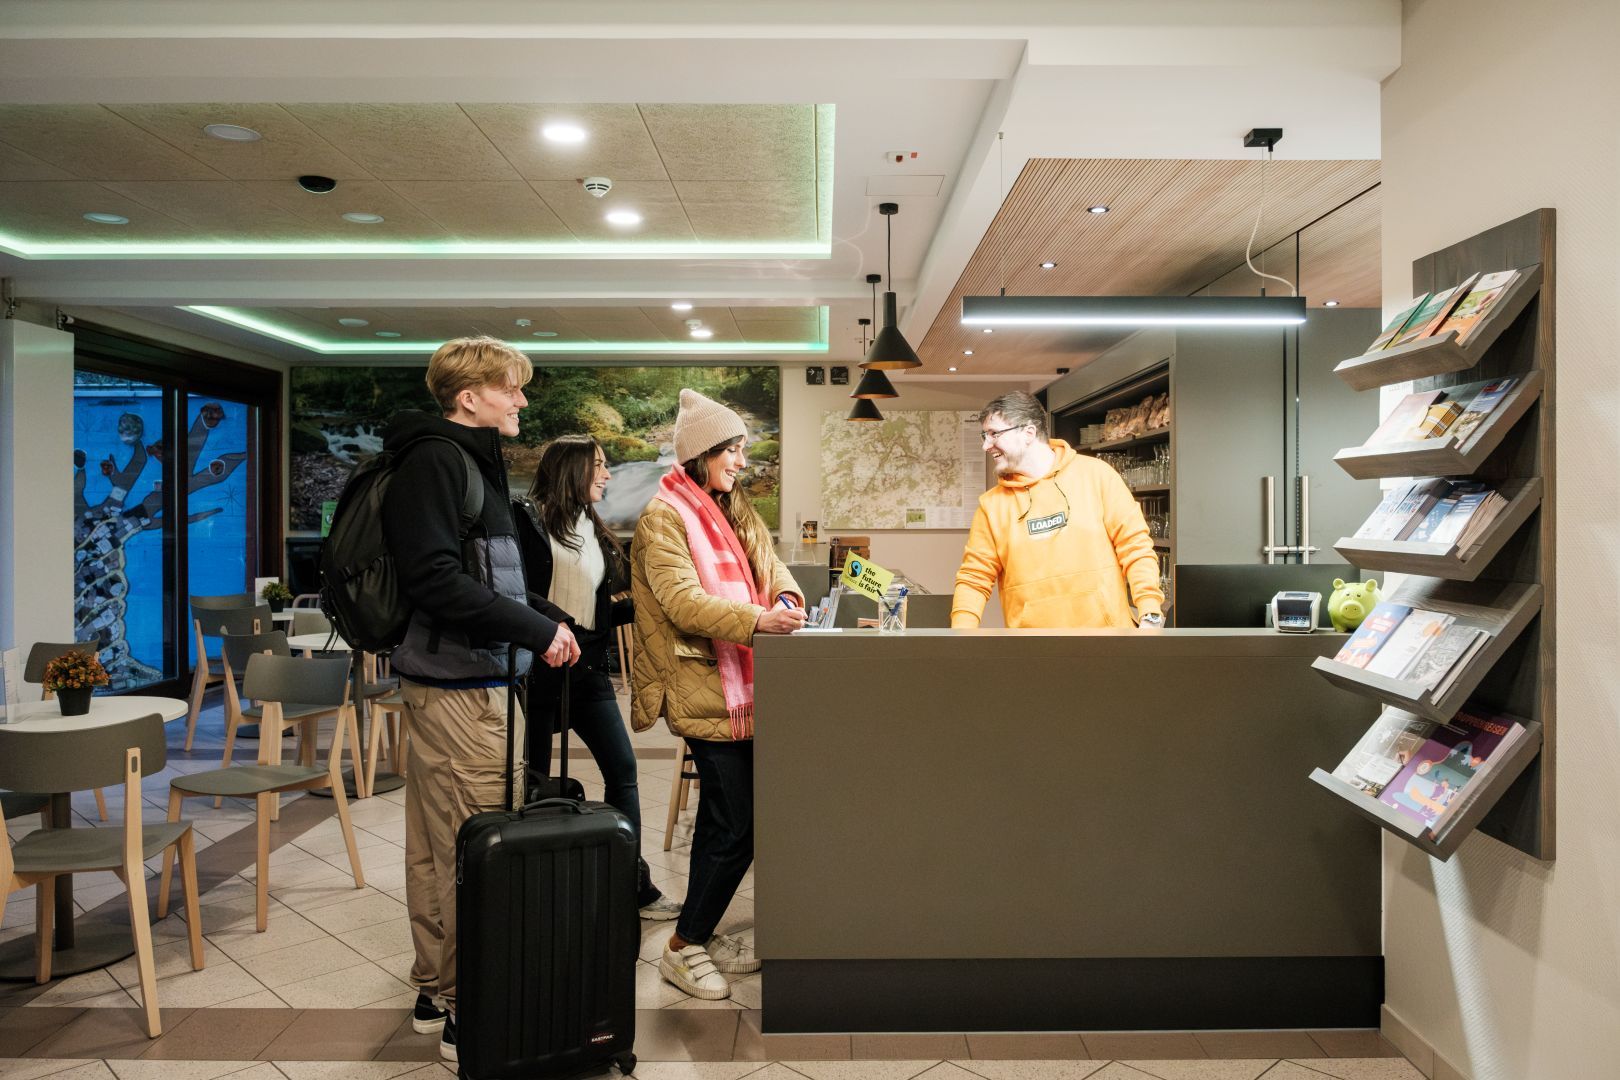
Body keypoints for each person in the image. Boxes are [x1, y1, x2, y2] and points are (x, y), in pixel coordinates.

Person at [380, 336, 579, 1063]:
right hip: (463, 690)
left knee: (439, 844)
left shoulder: (461, 461)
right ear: (470, 396)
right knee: (475, 847)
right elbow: (434, 579)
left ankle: (437, 987)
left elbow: (480, 577)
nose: (522, 399)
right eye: (511, 388)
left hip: (464, 681)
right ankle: (472, 1010)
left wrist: (543, 617)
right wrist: (531, 625)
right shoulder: (439, 462)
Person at [629, 389, 804, 1000]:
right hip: (707, 688)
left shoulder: (734, 509)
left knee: (732, 823)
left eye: (741, 450)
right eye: (731, 450)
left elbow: (771, 568)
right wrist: (759, 621)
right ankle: (682, 948)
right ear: (701, 453)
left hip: (748, 687)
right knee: (734, 827)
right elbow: (681, 603)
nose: (739, 461)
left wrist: (783, 599)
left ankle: (697, 934)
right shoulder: (663, 518)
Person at [512, 434, 683, 921]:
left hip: (587, 670)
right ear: (572, 471)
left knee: (623, 772)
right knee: (535, 783)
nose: (608, 474)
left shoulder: (592, 524)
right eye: (600, 466)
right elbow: (513, 592)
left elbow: (600, 612)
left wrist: (657, 606)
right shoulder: (528, 521)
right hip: (538, 669)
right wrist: (550, 627)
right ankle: (535, 889)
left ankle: (631, 883)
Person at [952, 390, 1165, 630]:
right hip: (1034, 653)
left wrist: (1150, 611)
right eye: (984, 435)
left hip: (1109, 643)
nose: (986, 445)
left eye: (994, 434)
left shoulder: (1098, 475)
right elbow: (974, 579)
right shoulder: (992, 506)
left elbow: (1135, 548)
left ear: (1028, 432)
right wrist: (961, 636)